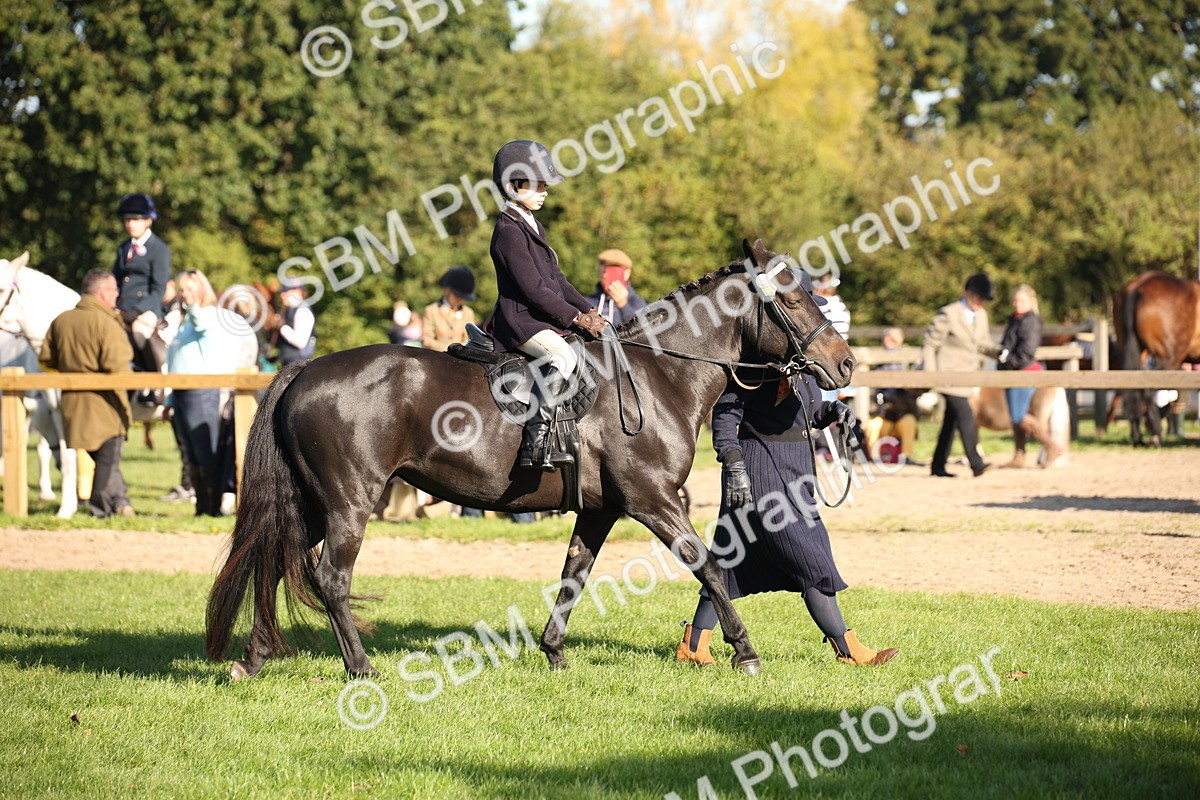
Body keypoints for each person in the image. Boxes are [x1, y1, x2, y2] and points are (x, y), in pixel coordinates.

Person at [674, 268, 898, 669]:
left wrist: (836, 412)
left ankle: (693, 644)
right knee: (811, 556)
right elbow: (726, 416)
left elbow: (807, 412)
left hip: (795, 468)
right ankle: (849, 650)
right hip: (759, 468)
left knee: (728, 559)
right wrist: (735, 466)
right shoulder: (755, 360)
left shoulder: (802, 361)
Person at [483, 139, 606, 471]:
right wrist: (575, 318)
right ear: (513, 184)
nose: (545, 191)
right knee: (562, 356)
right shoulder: (508, 231)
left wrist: (590, 309)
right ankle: (534, 445)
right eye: (537, 184)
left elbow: (557, 279)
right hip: (521, 321)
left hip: (540, 318)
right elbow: (534, 290)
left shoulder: (532, 225)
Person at [39, 270, 135, 518]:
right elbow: (119, 365)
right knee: (107, 460)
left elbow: (46, 357)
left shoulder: (60, 320)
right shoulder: (105, 323)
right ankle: (100, 510)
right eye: (114, 290)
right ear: (103, 293)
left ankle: (118, 503)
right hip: (104, 406)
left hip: (71, 404)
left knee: (102, 461)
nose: (117, 295)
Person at [166, 269, 251, 516]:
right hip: (182, 392)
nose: (185, 295)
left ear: (202, 291)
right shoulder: (185, 322)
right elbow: (177, 359)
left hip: (201, 392)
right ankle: (201, 505)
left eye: (190, 289)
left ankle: (211, 506)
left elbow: (202, 323)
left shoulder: (209, 317)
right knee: (190, 452)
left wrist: (192, 306)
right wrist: (171, 397)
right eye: (182, 290)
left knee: (205, 452)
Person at [921, 272, 1002, 477]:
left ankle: (938, 465)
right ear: (968, 294)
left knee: (951, 421)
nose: (981, 303)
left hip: (967, 377)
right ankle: (976, 463)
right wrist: (931, 376)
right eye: (979, 298)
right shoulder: (948, 314)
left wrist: (999, 351)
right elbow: (930, 344)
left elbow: (982, 343)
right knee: (966, 415)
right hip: (947, 377)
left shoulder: (981, 316)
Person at [112, 193, 171, 404]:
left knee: (138, 329)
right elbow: (116, 282)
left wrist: (137, 311)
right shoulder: (123, 248)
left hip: (147, 308)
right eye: (127, 219)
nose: (130, 224)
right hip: (122, 307)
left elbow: (158, 289)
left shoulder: (159, 249)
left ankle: (154, 384)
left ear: (148, 220)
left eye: (135, 219)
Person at [997, 284, 1057, 468]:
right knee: (1015, 416)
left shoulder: (1031, 321)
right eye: (1015, 300)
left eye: (1021, 300)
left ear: (1031, 301)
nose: (1017, 303)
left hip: (1024, 373)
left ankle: (1051, 445)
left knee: (1019, 416)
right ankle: (1019, 454)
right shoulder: (1015, 319)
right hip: (1013, 373)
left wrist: (1007, 363)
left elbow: (1027, 351)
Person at [864, 327, 923, 466]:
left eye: (892, 339)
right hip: (883, 414)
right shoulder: (878, 363)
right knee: (872, 425)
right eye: (887, 338)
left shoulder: (904, 364)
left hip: (900, 414)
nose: (888, 341)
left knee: (909, 421)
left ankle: (906, 456)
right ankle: (873, 457)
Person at [585, 248, 647, 326]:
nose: (606, 275)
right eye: (606, 270)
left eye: (615, 271)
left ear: (627, 273)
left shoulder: (637, 303)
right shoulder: (588, 302)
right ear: (600, 272)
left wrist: (623, 305)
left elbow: (642, 330)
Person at [423, 265, 477, 351]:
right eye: (456, 295)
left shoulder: (468, 313)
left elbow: (470, 339)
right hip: (436, 358)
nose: (460, 299)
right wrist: (450, 349)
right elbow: (427, 340)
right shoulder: (431, 310)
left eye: (462, 296)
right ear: (447, 290)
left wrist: (459, 350)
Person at [270, 280, 316, 366]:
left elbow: (300, 343)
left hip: (298, 365)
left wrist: (281, 327)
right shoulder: (289, 310)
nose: (282, 295)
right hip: (291, 363)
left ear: (297, 292)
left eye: (286, 291)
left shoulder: (302, 310)